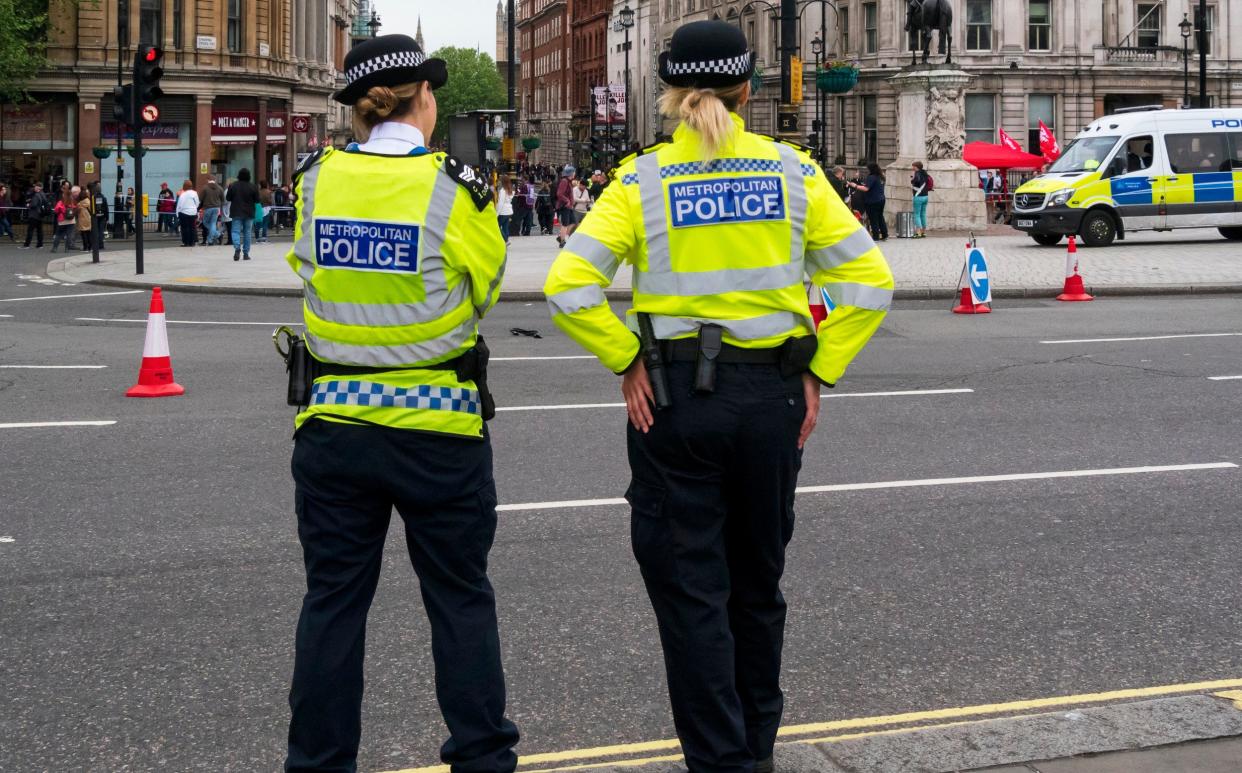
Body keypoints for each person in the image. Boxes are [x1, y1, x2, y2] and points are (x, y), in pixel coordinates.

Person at [543, 20, 892, 773]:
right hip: (771, 400)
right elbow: (870, 282)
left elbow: (568, 285)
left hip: (675, 403)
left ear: (671, 94)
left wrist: (625, 356)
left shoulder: (639, 180)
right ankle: (755, 752)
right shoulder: (793, 172)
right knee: (757, 585)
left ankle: (720, 761)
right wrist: (817, 370)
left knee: (692, 592)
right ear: (746, 88)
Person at [283, 34, 519, 773]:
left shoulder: (316, 181)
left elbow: (307, 269)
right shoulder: (457, 188)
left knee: (332, 606)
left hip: (334, 425)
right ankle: (481, 759)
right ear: (423, 99)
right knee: (459, 601)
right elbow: (484, 291)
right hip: (437, 430)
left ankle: (317, 764)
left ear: (357, 109)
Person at [225, 167, 259, 260]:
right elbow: (257, 200)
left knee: (235, 231)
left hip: (236, 211)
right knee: (247, 232)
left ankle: (237, 248)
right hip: (249, 212)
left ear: (239, 175)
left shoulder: (233, 185)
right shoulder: (253, 186)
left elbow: (228, 198)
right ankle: (246, 254)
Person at [850, 162, 888, 241]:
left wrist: (855, 186)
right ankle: (884, 234)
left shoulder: (872, 177)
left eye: (868, 169)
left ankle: (876, 236)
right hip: (881, 199)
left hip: (873, 200)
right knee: (880, 217)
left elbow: (866, 188)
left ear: (871, 169)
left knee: (873, 218)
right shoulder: (881, 176)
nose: (867, 170)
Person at [199, 176, 225, 245]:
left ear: (208, 180)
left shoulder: (205, 188)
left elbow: (200, 199)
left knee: (205, 223)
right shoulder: (220, 188)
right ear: (215, 180)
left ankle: (216, 236)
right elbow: (223, 200)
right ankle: (214, 237)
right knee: (213, 223)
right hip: (217, 208)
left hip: (207, 208)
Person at [555, 164, 576, 247]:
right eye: (574, 172)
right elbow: (559, 194)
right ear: (571, 173)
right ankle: (562, 241)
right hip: (565, 205)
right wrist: (567, 201)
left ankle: (561, 237)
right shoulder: (564, 181)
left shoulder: (568, 181)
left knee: (573, 222)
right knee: (565, 223)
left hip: (568, 206)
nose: (574, 173)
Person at [21, 182, 48, 249]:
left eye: (36, 187)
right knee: (39, 230)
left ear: (39, 187)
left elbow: (33, 204)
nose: (35, 188)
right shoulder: (43, 194)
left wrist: (28, 205)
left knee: (30, 230)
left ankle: (27, 245)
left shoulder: (36, 195)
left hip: (34, 214)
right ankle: (40, 244)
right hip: (40, 214)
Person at [175, 180, 200, 247]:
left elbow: (180, 205)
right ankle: (192, 242)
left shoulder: (183, 194)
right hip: (193, 213)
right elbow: (197, 203)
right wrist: (195, 209)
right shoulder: (195, 193)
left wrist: (177, 214)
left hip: (184, 213)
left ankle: (186, 242)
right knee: (192, 228)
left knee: (185, 228)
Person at [910, 160, 930, 238]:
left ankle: (918, 232)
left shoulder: (917, 173)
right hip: (925, 196)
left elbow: (916, 181)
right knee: (923, 214)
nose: (912, 168)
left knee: (917, 214)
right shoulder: (925, 173)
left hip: (918, 196)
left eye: (913, 166)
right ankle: (923, 232)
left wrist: (912, 179)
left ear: (916, 167)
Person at [495, 175, 514, 244]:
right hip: (509, 211)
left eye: (500, 180)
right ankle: (506, 240)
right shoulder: (510, 189)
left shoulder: (502, 191)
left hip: (503, 211)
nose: (499, 182)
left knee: (496, 226)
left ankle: (505, 240)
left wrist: (497, 213)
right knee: (505, 227)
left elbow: (500, 203)